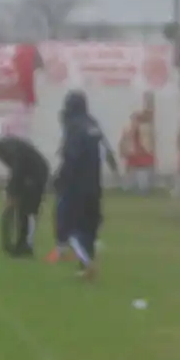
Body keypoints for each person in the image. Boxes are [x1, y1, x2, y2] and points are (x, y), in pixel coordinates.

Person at [54, 91, 113, 278]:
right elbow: (105, 147)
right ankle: (85, 264)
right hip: (94, 184)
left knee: (68, 227)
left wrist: (60, 178)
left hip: (76, 185)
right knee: (89, 227)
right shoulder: (92, 124)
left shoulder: (74, 126)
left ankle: (87, 264)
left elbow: (71, 156)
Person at [0, 135, 51, 257]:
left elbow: (18, 168)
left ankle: (27, 245)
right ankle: (21, 243)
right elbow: (16, 171)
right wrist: (12, 191)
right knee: (21, 211)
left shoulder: (7, 149)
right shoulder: (4, 147)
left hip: (37, 174)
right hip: (27, 174)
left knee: (30, 211)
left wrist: (12, 193)